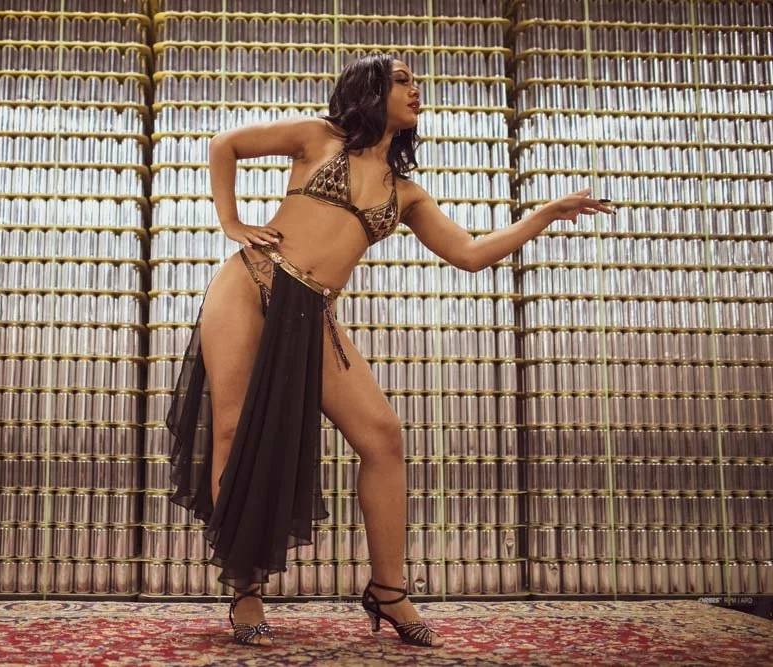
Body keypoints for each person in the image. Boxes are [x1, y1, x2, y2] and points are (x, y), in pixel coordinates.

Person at [166, 52, 615, 648]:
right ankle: (245, 587)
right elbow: (225, 144)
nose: (416, 89)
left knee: (382, 436)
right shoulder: (317, 137)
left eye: (416, 81)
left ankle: (388, 589)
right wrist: (232, 221)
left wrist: (546, 214)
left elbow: (471, 254)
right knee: (230, 428)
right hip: (251, 284)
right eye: (403, 80)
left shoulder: (406, 194)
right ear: (370, 89)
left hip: (312, 312)